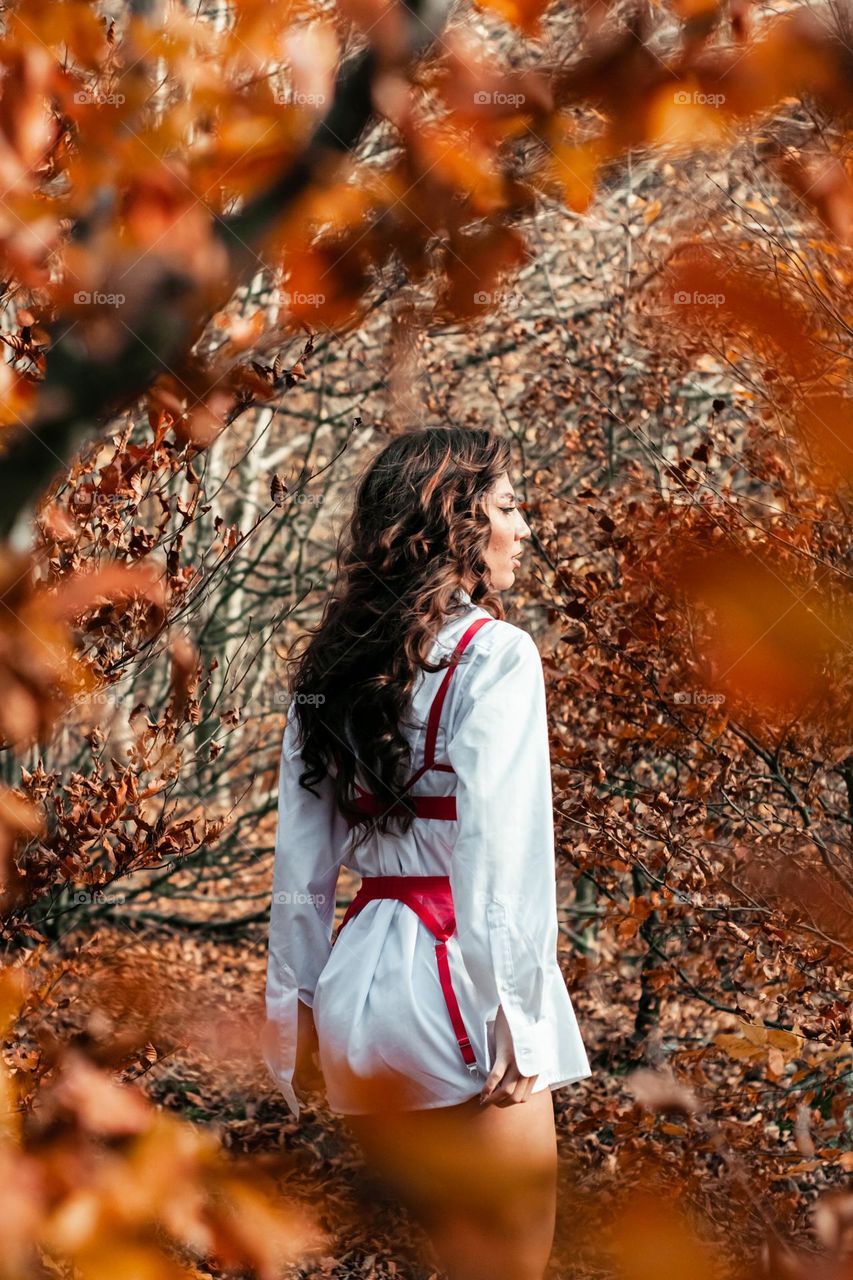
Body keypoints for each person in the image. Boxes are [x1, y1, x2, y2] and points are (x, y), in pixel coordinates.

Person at [261, 426, 591, 1280]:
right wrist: (517, 1010)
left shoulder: (331, 661)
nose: (525, 528)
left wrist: (292, 1011)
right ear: (457, 521)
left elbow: (300, 866)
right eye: (509, 507)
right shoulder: (497, 655)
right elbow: (499, 849)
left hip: (359, 994)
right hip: (457, 983)